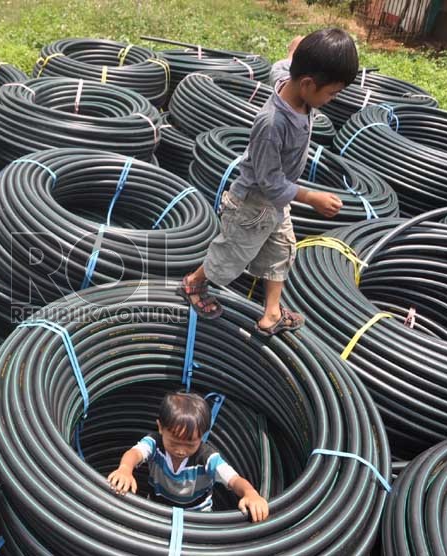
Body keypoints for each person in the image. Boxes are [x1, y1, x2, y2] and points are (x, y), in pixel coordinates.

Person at [176, 28, 359, 336]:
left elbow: (284, 65)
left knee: (282, 250)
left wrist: (294, 50)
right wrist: (312, 197)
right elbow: (270, 182)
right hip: (252, 204)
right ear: (309, 84)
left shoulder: (295, 81)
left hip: (276, 204)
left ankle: (271, 313)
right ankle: (194, 284)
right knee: (232, 254)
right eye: (331, 94)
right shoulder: (272, 124)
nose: (332, 100)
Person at [107, 391, 269, 522]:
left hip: (198, 518)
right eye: (174, 442)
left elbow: (234, 480)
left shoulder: (207, 457)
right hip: (157, 510)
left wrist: (250, 493)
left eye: (190, 444)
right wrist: (125, 469)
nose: (181, 450)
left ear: (203, 436)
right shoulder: (155, 444)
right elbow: (134, 453)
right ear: (161, 428)